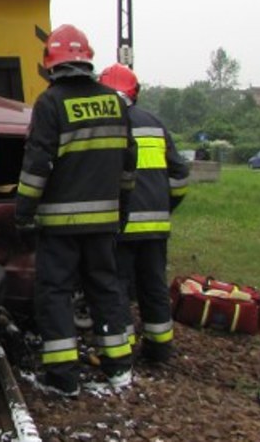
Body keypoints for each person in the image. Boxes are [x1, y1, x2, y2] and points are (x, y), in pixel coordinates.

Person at [15, 25, 136, 397]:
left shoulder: (51, 104)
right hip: (103, 222)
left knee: (54, 293)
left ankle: (64, 378)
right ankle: (118, 368)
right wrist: (123, 210)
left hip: (59, 225)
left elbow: (37, 166)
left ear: (51, 64)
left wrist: (23, 211)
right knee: (105, 288)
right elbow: (128, 166)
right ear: (87, 59)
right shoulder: (115, 102)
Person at [100, 63, 189, 364]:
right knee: (153, 286)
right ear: (134, 93)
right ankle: (159, 348)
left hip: (119, 226)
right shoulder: (155, 123)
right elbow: (180, 175)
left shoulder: (105, 124)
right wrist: (166, 206)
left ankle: (123, 348)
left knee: (119, 287)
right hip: (155, 227)